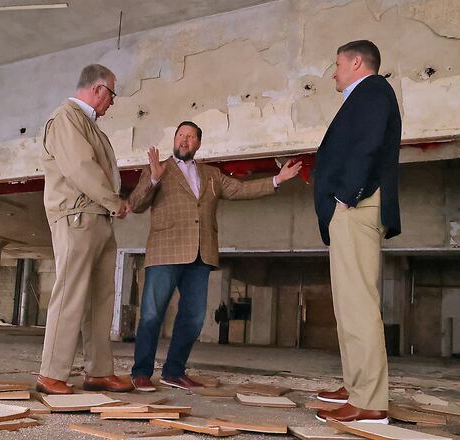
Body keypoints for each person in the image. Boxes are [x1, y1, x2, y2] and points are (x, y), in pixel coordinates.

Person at [128, 121, 302, 391]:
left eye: (190, 137)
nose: (184, 141)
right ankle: (141, 373)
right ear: (174, 139)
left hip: (201, 253)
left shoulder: (210, 174)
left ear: (198, 143)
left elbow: (240, 189)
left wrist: (277, 179)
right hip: (165, 250)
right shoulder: (158, 169)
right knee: (152, 314)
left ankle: (174, 372)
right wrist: (153, 178)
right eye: (180, 135)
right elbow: (136, 204)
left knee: (194, 317)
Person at [312, 40, 401, 424]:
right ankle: (355, 385)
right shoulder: (363, 96)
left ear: (357, 62)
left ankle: (370, 401)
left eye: (337, 64)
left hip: (357, 206)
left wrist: (345, 198)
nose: (334, 72)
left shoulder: (374, 90)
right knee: (347, 304)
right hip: (351, 207)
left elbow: (368, 146)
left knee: (359, 303)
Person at [37, 64, 133, 395]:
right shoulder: (66, 118)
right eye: (112, 95)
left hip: (98, 216)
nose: (112, 103)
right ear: (98, 90)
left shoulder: (90, 127)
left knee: (100, 298)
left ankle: (98, 371)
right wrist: (114, 201)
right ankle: (51, 372)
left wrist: (112, 204)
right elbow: (81, 168)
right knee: (71, 293)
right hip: (77, 215)